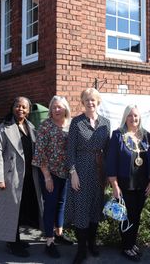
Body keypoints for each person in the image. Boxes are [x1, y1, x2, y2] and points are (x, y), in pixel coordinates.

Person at [0, 96, 43, 258]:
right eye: (17, 106)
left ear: (28, 110)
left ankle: (16, 239)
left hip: (28, 176)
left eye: (24, 107)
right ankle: (13, 244)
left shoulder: (30, 126)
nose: (20, 109)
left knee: (22, 209)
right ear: (12, 108)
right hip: (10, 176)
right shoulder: (4, 128)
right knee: (12, 210)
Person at [106, 104, 150, 262]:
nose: (133, 118)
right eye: (130, 115)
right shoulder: (117, 135)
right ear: (125, 117)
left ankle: (132, 243)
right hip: (124, 183)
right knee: (125, 216)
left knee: (136, 215)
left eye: (135, 115)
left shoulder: (146, 135)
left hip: (142, 183)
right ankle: (126, 247)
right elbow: (111, 161)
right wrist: (114, 185)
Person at [66, 88, 110, 264]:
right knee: (82, 210)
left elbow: (107, 150)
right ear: (82, 102)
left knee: (95, 209)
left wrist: (108, 174)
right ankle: (81, 249)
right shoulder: (76, 122)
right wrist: (73, 173)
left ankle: (92, 243)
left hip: (99, 171)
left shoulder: (106, 123)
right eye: (87, 100)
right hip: (81, 171)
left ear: (97, 102)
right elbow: (70, 150)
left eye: (93, 100)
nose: (90, 103)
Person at [32, 96, 73, 259]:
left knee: (61, 204)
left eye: (60, 107)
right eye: (54, 107)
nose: (57, 110)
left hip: (65, 173)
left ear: (66, 109)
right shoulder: (45, 126)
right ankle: (49, 242)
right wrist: (47, 177)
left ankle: (59, 234)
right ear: (50, 109)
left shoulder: (71, 125)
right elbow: (39, 152)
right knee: (50, 205)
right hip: (50, 173)